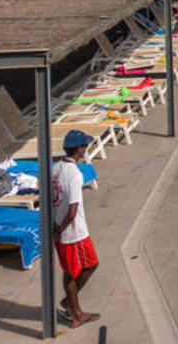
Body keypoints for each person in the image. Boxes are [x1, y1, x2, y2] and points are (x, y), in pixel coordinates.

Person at [52, 130, 100, 328]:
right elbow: (73, 210)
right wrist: (61, 229)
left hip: (61, 230)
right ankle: (75, 312)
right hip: (73, 233)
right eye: (84, 147)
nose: (85, 150)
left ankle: (70, 303)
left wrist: (55, 227)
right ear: (78, 149)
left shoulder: (54, 169)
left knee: (70, 269)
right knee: (86, 266)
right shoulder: (74, 175)